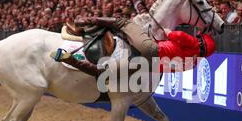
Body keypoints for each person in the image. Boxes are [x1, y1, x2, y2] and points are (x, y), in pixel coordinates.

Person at [51, 16, 215, 78]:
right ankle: (71, 60)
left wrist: (168, 32)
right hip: (147, 67)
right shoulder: (193, 63)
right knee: (103, 73)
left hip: (152, 50)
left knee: (124, 23)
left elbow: (178, 36)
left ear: (202, 42)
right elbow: (169, 68)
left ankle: (86, 22)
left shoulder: (194, 44)